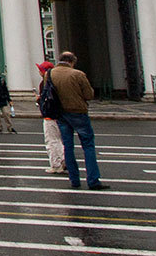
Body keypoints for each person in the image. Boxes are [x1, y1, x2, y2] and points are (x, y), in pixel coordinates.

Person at [50, 52, 107, 190]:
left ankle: (74, 180)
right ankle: (93, 180)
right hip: (78, 113)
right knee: (88, 145)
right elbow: (89, 95)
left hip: (60, 114)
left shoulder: (50, 74)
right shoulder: (78, 74)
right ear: (72, 62)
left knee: (68, 147)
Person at [36, 60, 66, 174]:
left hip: (49, 116)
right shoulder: (56, 81)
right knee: (58, 140)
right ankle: (63, 159)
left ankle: (56, 164)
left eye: (40, 70)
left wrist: (39, 100)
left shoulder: (46, 83)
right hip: (59, 115)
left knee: (51, 141)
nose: (39, 72)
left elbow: (47, 101)